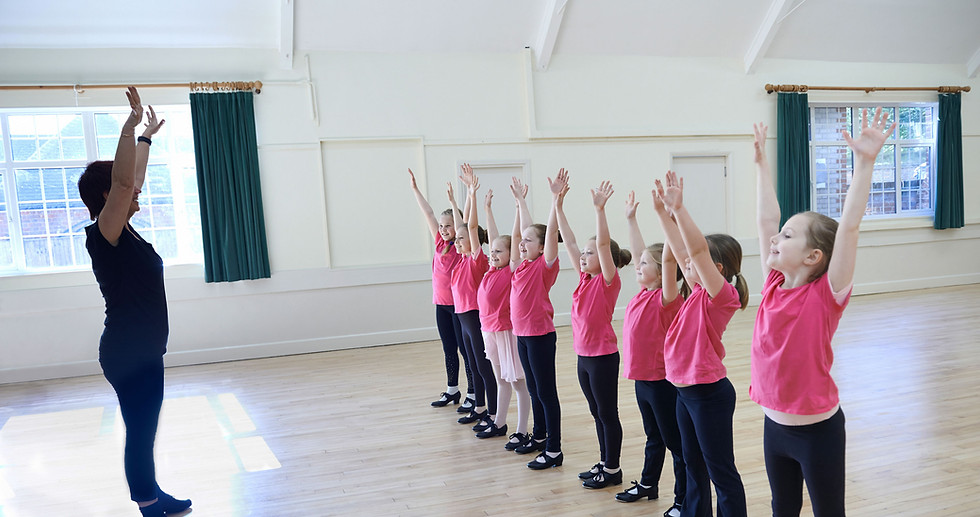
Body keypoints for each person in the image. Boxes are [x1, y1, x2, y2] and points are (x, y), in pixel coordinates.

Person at [751, 109, 895, 517]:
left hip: (818, 432)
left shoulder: (825, 295)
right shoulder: (774, 284)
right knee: (783, 508)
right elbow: (766, 220)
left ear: (814, 256)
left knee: (829, 511)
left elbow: (848, 227)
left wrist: (865, 162)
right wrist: (762, 164)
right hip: (773, 425)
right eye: (781, 234)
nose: (776, 239)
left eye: (789, 236)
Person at [77, 87, 191, 517]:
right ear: (107, 196)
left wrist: (146, 139)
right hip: (128, 351)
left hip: (143, 349)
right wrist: (128, 128)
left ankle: (152, 492)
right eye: (124, 190)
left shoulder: (124, 230)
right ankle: (148, 502)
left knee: (144, 429)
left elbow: (131, 180)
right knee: (141, 430)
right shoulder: (104, 234)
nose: (137, 193)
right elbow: (126, 181)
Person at [656, 171, 749, 517]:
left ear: (717, 268)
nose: (687, 266)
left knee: (720, 471)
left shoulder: (721, 297)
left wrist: (680, 210)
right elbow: (684, 251)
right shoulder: (696, 290)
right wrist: (663, 215)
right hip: (684, 393)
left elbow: (694, 249)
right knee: (694, 465)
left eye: (696, 264)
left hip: (709, 395)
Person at [552, 173, 630, 489]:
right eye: (583, 254)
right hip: (584, 357)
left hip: (602, 357)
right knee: (596, 411)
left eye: (591, 253)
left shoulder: (607, 281)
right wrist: (558, 204)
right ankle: (604, 461)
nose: (584, 256)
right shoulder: (584, 278)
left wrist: (599, 211)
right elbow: (568, 241)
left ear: (606, 258)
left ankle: (613, 470)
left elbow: (601, 243)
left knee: (607, 413)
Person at [618, 190, 686, 517]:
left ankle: (684, 499)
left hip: (661, 382)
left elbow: (669, 259)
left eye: (645, 263)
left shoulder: (666, 300)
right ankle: (648, 484)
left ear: (661, 273)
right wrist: (630, 218)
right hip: (642, 381)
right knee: (652, 436)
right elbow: (636, 252)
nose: (637, 265)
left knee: (676, 444)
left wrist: (670, 219)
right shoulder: (642, 292)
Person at [408, 168, 476, 411]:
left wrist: (466, 195)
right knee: (449, 348)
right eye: (443, 225)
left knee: (465, 350)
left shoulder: (461, 247)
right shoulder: (439, 242)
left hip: (459, 307)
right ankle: (452, 389)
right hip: (441, 305)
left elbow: (465, 220)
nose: (445, 229)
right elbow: (427, 212)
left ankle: (473, 391)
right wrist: (415, 188)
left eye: (449, 225)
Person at [509, 173, 563, 470]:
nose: (521, 243)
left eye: (529, 241)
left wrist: (555, 201)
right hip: (522, 335)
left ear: (543, 247)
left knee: (546, 392)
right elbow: (526, 230)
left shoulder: (544, 266)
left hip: (541, 336)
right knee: (533, 388)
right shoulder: (521, 266)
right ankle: (540, 436)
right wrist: (520, 202)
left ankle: (554, 449)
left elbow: (549, 234)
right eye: (522, 240)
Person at [474, 178, 531, 442]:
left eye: (499, 251)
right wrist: (487, 209)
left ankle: (521, 429)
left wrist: (520, 206)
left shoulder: (511, 271)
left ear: (511, 255)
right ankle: (499, 422)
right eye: (492, 251)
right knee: (501, 381)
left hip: (506, 330)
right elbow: (495, 236)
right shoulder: (491, 269)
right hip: (489, 330)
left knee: (518, 382)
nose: (493, 254)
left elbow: (515, 236)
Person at [448, 167, 498, 430]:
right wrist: (459, 201)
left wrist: (472, 195)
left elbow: (471, 226)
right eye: (456, 239)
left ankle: (493, 413)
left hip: (476, 318)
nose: (457, 241)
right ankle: (479, 407)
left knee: (483, 365)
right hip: (463, 319)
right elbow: (462, 227)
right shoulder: (461, 260)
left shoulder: (477, 260)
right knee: (474, 364)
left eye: (461, 239)